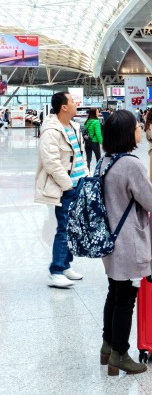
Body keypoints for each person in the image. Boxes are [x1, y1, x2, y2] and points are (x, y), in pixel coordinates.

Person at [99, 110, 152, 376]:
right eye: (136, 127)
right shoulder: (131, 164)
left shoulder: (105, 161)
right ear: (127, 134)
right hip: (128, 241)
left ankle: (107, 346)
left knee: (114, 292)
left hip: (110, 239)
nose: (139, 130)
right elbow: (151, 202)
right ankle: (120, 355)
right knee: (125, 300)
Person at [35, 92, 89, 288]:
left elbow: (81, 155)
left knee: (72, 228)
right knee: (63, 229)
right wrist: (68, 185)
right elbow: (51, 162)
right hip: (66, 188)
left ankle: (65, 265)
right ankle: (56, 270)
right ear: (64, 107)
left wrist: (86, 175)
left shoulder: (74, 127)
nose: (76, 104)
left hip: (79, 184)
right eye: (73, 101)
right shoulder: (51, 131)